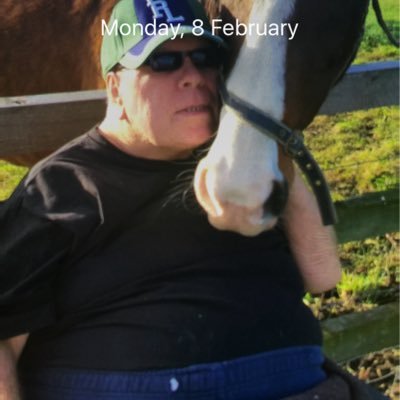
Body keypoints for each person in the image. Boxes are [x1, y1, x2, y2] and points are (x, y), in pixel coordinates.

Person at [0, 0, 388, 399]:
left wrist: (273, 148)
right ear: (114, 87)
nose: (193, 77)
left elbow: (324, 273)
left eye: (205, 58)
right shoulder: (60, 186)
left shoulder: (237, 172)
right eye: (163, 62)